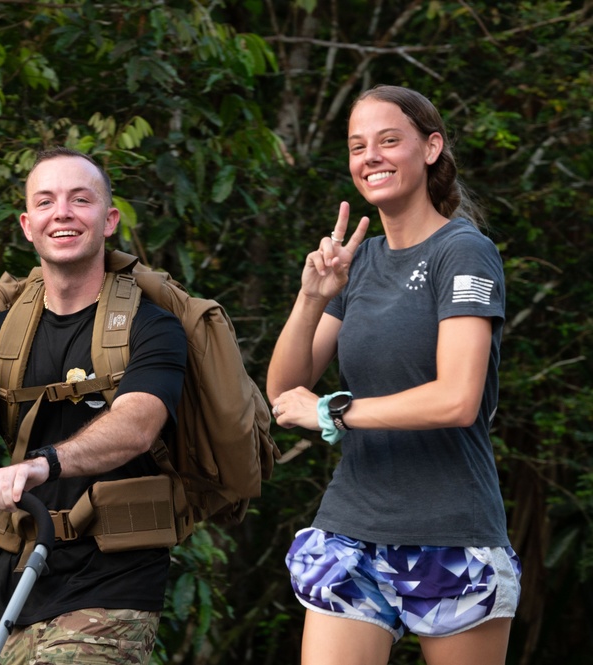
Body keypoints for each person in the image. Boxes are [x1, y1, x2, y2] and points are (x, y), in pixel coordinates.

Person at [266, 85, 521, 665]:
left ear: (430, 148)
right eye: (358, 146)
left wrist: (333, 411)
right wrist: (312, 298)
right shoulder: (360, 261)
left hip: (451, 533)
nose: (370, 157)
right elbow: (283, 391)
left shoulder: (464, 251)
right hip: (350, 529)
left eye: (388, 140)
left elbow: (457, 399)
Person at [0, 147, 187, 664]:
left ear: (108, 221)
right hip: (24, 587)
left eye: (79, 200)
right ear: (27, 224)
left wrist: (42, 465)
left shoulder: (151, 326)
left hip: (114, 584)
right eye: (46, 201)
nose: (61, 212)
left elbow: (137, 426)